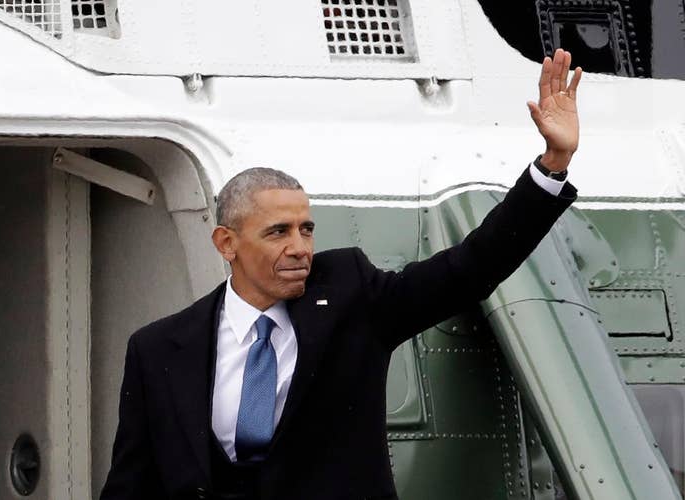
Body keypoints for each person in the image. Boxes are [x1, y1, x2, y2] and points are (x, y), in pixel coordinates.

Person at [100, 48, 583, 500]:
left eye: (306, 229)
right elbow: (130, 485)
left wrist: (552, 165)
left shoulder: (353, 295)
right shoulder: (158, 348)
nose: (299, 248)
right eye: (277, 232)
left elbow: (469, 270)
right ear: (227, 244)